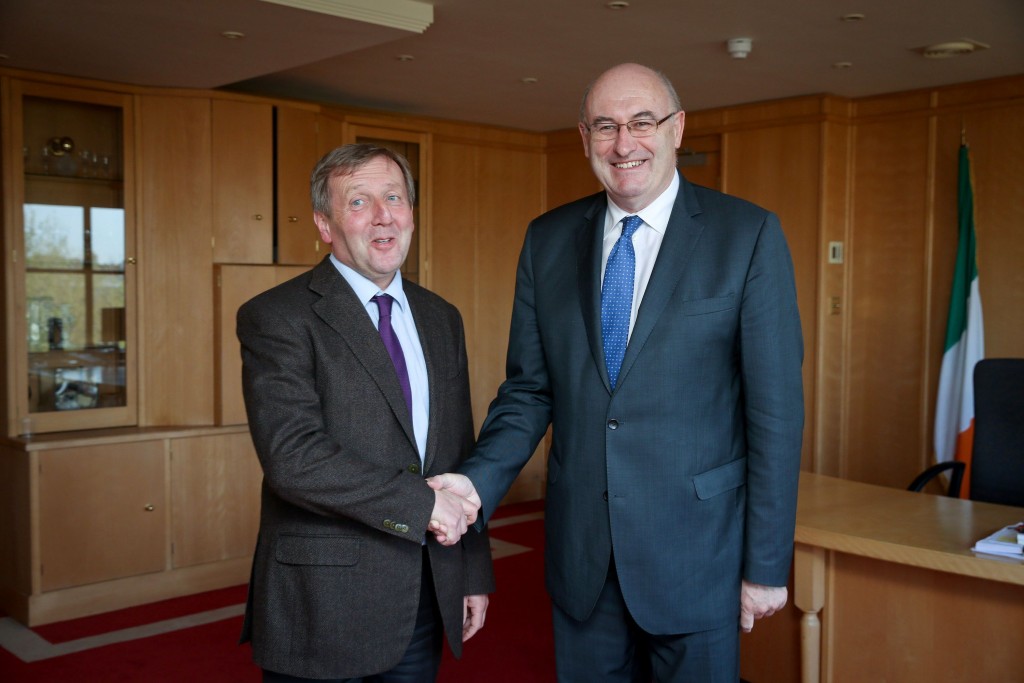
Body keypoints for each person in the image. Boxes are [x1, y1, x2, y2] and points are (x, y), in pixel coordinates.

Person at [430, 63, 804, 682]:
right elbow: (529, 391)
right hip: (584, 562)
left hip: (698, 557)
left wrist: (765, 565)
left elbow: (775, 415)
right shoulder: (547, 240)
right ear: (584, 138)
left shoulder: (748, 235)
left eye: (641, 123)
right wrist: (473, 486)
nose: (623, 144)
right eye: (605, 126)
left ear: (677, 128)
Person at [238, 143, 494, 682]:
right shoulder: (276, 317)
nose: (383, 215)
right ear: (324, 224)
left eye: (394, 197)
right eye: (358, 201)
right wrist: (421, 504)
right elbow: (294, 459)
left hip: (424, 590)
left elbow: (458, 452)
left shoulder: (441, 317)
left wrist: (472, 571)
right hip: (322, 601)